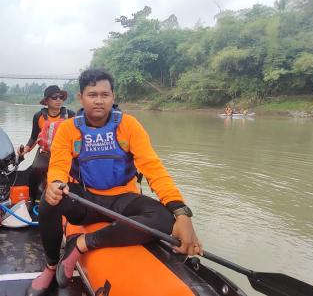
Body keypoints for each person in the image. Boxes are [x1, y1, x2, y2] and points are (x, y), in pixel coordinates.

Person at [26, 69, 202, 295]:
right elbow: (58, 164)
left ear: (113, 96)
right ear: (81, 97)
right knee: (48, 203)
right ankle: (51, 265)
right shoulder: (68, 128)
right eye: (92, 95)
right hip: (86, 199)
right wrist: (56, 183)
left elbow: (153, 169)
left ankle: (82, 243)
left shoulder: (129, 126)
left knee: (164, 217)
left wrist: (181, 212)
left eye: (104, 94)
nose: (99, 101)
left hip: (124, 200)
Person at [17, 85, 75, 202]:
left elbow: (78, 137)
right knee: (34, 170)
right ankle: (32, 199)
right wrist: (26, 149)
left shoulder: (71, 115)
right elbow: (34, 136)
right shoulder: (38, 116)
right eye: (54, 97)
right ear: (47, 101)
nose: (58, 100)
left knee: (75, 173)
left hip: (64, 153)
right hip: (45, 152)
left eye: (61, 97)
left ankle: (69, 199)